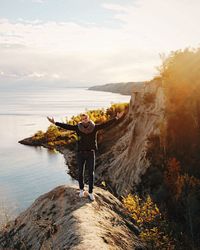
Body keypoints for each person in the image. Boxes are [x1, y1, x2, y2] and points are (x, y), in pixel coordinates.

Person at [47, 111, 124, 201]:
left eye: (86, 118)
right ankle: (81, 190)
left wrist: (116, 118)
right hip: (80, 153)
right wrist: (55, 122)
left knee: (91, 174)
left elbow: (105, 125)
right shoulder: (77, 128)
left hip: (91, 153)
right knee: (80, 173)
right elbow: (67, 126)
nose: (84, 120)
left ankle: (90, 192)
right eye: (83, 119)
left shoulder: (94, 128)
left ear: (88, 118)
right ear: (81, 120)